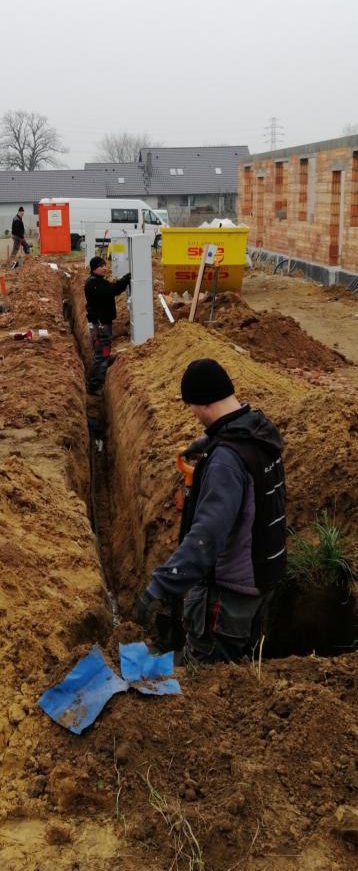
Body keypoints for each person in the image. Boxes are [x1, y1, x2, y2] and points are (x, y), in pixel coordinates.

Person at [133, 358, 287, 664]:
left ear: (203, 404)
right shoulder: (260, 433)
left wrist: (160, 586)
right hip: (262, 577)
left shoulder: (225, 462)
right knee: (240, 666)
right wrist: (210, 440)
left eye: (191, 406)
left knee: (206, 680)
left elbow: (206, 537)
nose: (192, 413)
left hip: (228, 597)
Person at [84, 256, 131, 394]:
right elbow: (112, 290)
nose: (105, 268)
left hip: (101, 324)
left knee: (102, 353)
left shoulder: (97, 281)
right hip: (100, 326)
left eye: (105, 265)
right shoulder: (94, 283)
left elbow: (111, 288)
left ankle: (96, 383)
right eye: (101, 266)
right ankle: (95, 386)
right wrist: (125, 280)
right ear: (94, 269)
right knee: (102, 354)